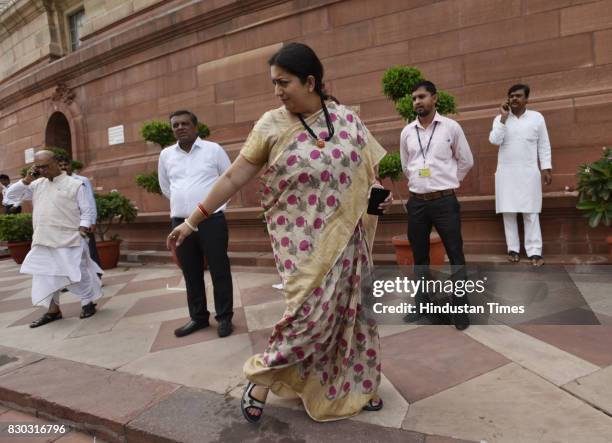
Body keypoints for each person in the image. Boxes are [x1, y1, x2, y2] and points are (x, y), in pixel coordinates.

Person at [167, 43, 392, 423]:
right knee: (308, 318)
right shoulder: (271, 124)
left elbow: (370, 170)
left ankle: (358, 383)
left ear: (310, 81)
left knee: (352, 316)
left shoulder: (347, 120)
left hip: (348, 240)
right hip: (301, 244)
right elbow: (234, 175)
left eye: (283, 82)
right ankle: (261, 377)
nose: (277, 91)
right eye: (274, 83)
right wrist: (192, 221)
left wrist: (377, 195)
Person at [399, 80, 474, 330]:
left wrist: (449, 183)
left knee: (455, 254)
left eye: (421, 96)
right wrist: (421, 185)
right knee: (419, 256)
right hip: (417, 203)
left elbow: (466, 160)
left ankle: (461, 308)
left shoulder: (451, 127)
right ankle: (421, 302)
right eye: (414, 98)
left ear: (435, 98)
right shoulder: (407, 132)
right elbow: (405, 166)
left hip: (444, 201)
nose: (417, 102)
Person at [158, 110, 234, 338]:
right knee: (190, 272)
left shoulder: (214, 150)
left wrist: (217, 207)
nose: (180, 128)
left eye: (184, 124)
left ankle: (224, 317)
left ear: (195, 126)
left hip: (212, 221)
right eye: (175, 125)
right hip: (180, 223)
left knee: (219, 269)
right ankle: (199, 317)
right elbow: (165, 187)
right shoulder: (166, 155)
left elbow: (229, 181)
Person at [6, 151, 102, 327]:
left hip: (70, 239)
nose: (42, 170)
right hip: (43, 239)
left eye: (45, 166)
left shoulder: (75, 184)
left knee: (76, 274)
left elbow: (86, 210)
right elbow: (10, 197)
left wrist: (82, 230)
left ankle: (87, 302)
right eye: (38, 167)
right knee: (44, 275)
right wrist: (26, 180)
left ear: (57, 163)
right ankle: (53, 311)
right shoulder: (36, 185)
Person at [489, 84, 552, 267]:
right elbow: (494, 140)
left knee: (531, 212)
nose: (514, 99)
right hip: (506, 173)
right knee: (508, 212)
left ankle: (534, 252)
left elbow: (544, 145)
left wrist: (546, 168)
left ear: (526, 99)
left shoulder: (537, 118)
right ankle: (513, 250)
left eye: (518, 96)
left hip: (529, 172)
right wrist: (503, 118)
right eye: (511, 96)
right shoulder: (500, 119)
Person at [57, 157, 102, 270]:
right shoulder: (56, 182)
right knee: (69, 253)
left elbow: (90, 201)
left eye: (65, 164)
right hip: (66, 222)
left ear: (70, 165)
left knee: (90, 250)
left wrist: (92, 220)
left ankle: (97, 276)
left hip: (83, 221)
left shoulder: (82, 180)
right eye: (60, 165)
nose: (63, 167)